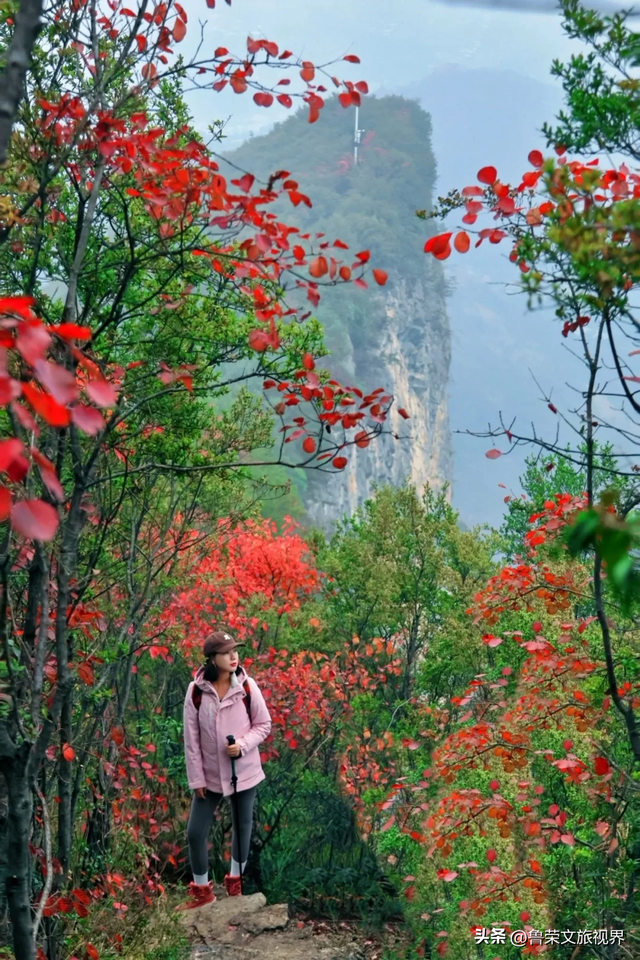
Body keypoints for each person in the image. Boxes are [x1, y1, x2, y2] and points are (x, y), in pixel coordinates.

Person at [179, 628, 272, 909]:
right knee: (195, 832)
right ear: (212, 658)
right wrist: (197, 779)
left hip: (243, 770)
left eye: (235, 651)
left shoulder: (246, 686)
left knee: (242, 829)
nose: (233, 657)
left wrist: (242, 745)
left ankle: (235, 883)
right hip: (209, 775)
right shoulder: (196, 691)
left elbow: (264, 725)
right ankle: (202, 893)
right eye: (226, 653)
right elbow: (191, 739)